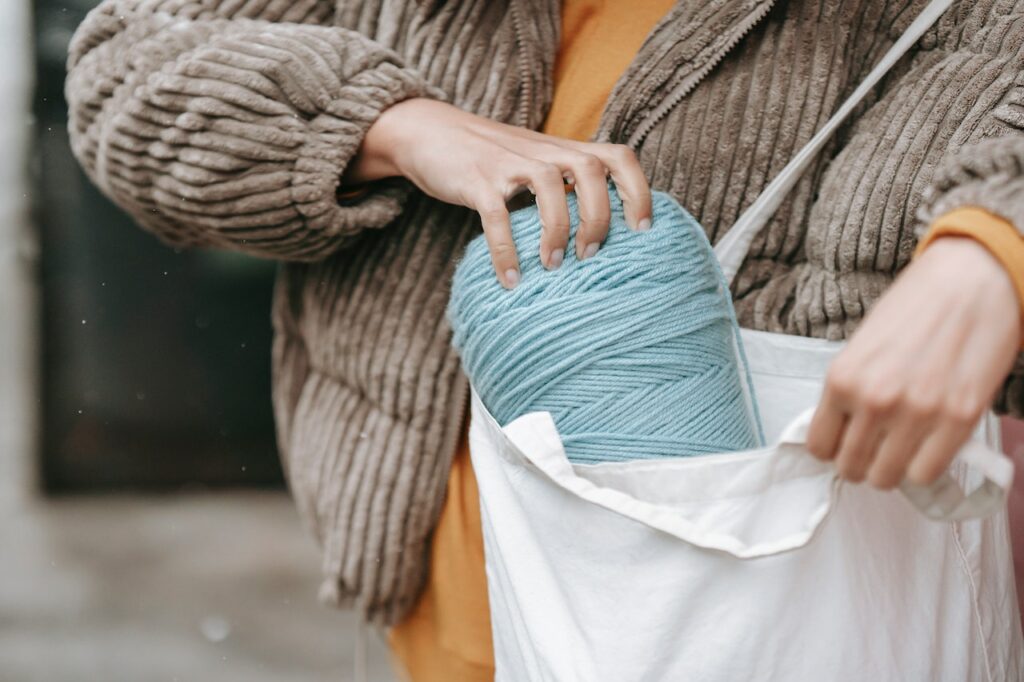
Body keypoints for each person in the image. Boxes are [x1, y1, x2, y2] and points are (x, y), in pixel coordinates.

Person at [66, 0, 1024, 679]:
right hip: (441, 608)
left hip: (799, 626)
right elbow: (122, 74)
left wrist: (992, 250)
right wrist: (394, 126)